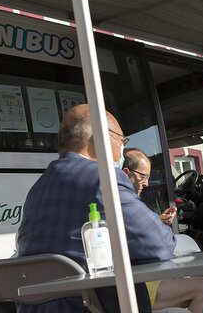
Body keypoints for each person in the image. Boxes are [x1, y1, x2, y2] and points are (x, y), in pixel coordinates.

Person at [17, 104, 176, 313]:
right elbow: (159, 245)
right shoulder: (103, 178)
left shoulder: (38, 187)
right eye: (121, 140)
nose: (121, 149)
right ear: (101, 137)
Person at [122, 148, 203, 313]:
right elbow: (163, 244)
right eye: (142, 176)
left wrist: (158, 221)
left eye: (148, 177)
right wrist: (159, 229)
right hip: (139, 285)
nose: (147, 183)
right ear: (126, 173)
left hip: (139, 279)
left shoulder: (122, 200)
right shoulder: (125, 201)